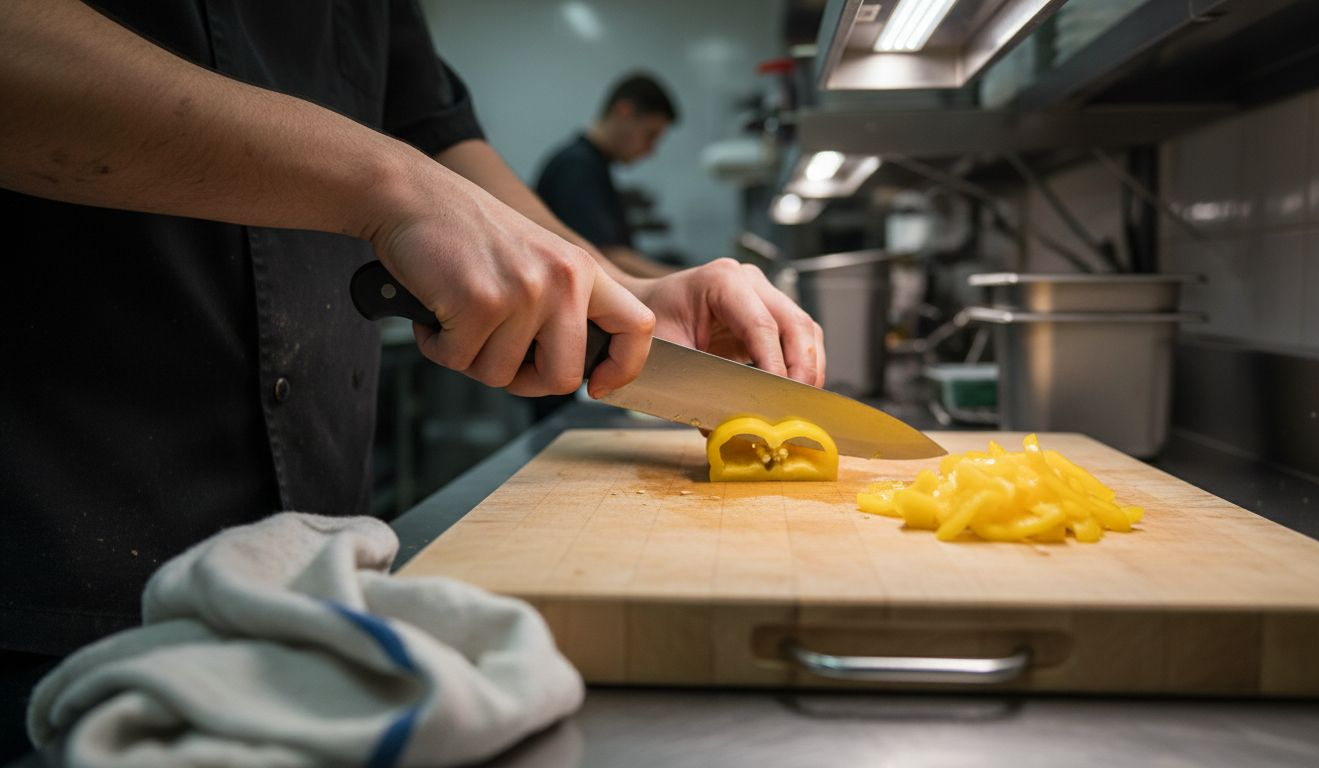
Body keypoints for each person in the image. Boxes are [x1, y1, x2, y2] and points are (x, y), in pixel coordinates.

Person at [0, 0, 825, 758]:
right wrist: (390, 186)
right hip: (63, 538)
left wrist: (623, 294)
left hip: (326, 553)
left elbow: (433, 129)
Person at [536, 72, 680, 279]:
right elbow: (606, 255)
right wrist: (681, 278)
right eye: (650, 135)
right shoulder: (577, 166)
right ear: (624, 111)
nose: (651, 150)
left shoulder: (593, 164)